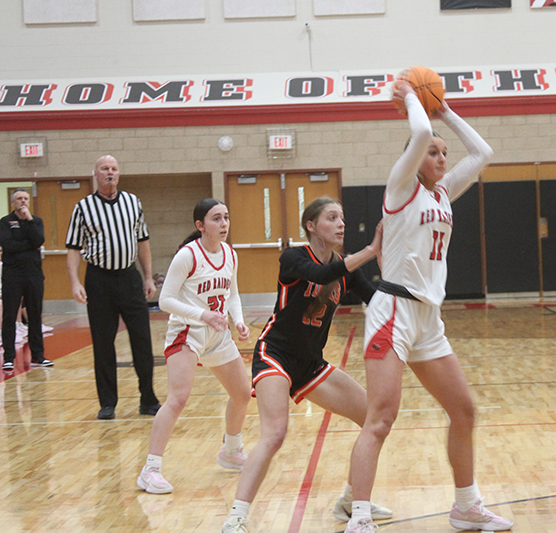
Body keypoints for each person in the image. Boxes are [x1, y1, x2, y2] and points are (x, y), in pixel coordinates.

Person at [343, 83, 512, 533]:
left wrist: (446, 111)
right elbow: (418, 131)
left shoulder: (442, 192)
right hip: (394, 310)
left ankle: (465, 506)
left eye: (442, 152)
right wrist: (416, 100)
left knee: (464, 411)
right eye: (433, 152)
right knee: (380, 418)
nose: (441, 157)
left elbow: (482, 153)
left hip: (428, 319)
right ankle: (359, 516)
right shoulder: (400, 188)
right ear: (412, 159)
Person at [221, 197, 390, 533]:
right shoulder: (295, 257)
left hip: (311, 364)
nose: (341, 223)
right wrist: (371, 250)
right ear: (312, 226)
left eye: (342, 217)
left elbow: (380, 300)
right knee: (275, 433)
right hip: (275, 354)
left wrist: (387, 262)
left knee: (375, 417)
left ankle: (350, 498)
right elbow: (321, 272)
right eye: (332, 218)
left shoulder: (346, 269)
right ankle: (236, 518)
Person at [137, 199, 251, 494]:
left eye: (226, 217)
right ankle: (150, 470)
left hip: (218, 333)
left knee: (242, 392)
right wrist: (204, 315)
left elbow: (233, 294)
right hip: (187, 331)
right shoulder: (188, 256)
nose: (224, 224)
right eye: (216, 219)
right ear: (200, 225)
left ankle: (231, 450)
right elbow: (165, 300)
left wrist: (237, 320)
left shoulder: (229, 254)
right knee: (178, 399)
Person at [65, 155, 160, 420]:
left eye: (114, 169)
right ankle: (108, 403)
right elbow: (73, 249)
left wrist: (148, 277)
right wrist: (75, 282)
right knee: (103, 344)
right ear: (95, 174)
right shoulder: (83, 207)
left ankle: (148, 400)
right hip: (99, 280)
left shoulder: (133, 203)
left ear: (119, 174)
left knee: (142, 339)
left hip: (129, 277)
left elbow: (143, 242)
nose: (110, 173)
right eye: (105, 169)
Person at [0, 188, 52, 371]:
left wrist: (28, 221)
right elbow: (7, 245)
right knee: (9, 316)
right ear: (13, 202)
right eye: (19, 199)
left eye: (25, 198)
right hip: (12, 275)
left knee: (35, 315)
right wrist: (29, 245)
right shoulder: (5, 222)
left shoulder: (36, 221)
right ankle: (8, 357)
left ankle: (38, 355)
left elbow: (38, 240)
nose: (23, 201)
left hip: (34, 275)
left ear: (29, 201)